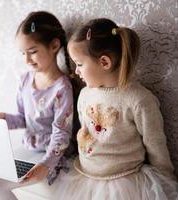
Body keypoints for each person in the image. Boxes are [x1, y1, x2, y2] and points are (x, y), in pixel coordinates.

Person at [53, 18, 178, 200]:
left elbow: (155, 144)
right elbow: (85, 132)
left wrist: (166, 181)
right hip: (86, 177)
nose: (76, 71)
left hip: (125, 183)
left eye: (79, 64)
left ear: (104, 62)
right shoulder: (85, 94)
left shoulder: (139, 100)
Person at [0, 11, 80, 200]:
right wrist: (3, 119)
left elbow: (61, 134)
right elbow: (23, 118)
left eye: (32, 52)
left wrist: (46, 164)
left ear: (54, 45)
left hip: (54, 154)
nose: (26, 60)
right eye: (23, 53)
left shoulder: (61, 88)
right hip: (31, 147)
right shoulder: (25, 80)